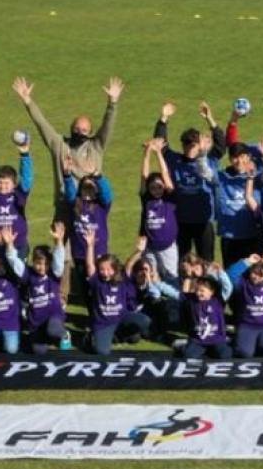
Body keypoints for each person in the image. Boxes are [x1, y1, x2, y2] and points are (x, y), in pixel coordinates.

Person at [12, 75, 123, 218]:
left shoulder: (96, 146)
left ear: (90, 133)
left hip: (90, 204)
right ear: (71, 128)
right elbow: (41, 123)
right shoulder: (59, 145)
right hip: (64, 207)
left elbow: (108, 125)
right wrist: (27, 101)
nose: (79, 133)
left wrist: (112, 103)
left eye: (84, 131)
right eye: (76, 129)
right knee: (59, 240)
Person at [152, 100, 225, 261]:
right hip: (180, 222)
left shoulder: (209, 159)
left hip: (204, 222)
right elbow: (160, 143)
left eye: (193, 144)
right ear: (183, 145)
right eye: (186, 143)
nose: (190, 147)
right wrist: (163, 118)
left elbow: (221, 145)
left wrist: (210, 119)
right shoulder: (174, 160)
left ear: (199, 145)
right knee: (182, 262)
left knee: (206, 262)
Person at [199, 140, 263, 266]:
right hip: (229, 236)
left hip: (253, 235)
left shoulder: (257, 177)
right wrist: (202, 154)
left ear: (249, 157)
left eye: (242, 157)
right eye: (235, 157)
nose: (239, 161)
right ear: (230, 159)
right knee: (231, 273)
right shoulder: (221, 176)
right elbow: (204, 172)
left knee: (253, 274)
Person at [0, 223, 69, 352]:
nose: (42, 267)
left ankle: (64, 335)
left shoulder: (53, 274)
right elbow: (15, 263)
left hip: (53, 316)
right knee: (39, 351)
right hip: (36, 321)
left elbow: (59, 261)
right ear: (33, 262)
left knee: (53, 330)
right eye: (38, 263)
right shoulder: (29, 274)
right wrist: (9, 246)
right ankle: (45, 337)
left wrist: (59, 242)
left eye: (46, 264)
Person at [82, 232, 151, 355]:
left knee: (145, 322)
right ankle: (91, 336)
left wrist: (138, 251)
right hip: (103, 323)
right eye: (102, 269)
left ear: (115, 269)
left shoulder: (122, 279)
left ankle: (118, 335)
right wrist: (90, 246)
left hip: (121, 317)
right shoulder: (96, 280)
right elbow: (89, 265)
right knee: (101, 351)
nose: (105, 272)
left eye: (108, 269)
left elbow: (129, 263)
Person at [63, 162, 114, 301]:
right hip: (79, 253)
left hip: (98, 253)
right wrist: (67, 176)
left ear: (96, 191)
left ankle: (104, 307)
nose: (88, 191)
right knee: (85, 287)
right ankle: (91, 312)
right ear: (80, 190)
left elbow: (107, 194)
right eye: (85, 188)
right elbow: (69, 193)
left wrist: (98, 176)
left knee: (100, 284)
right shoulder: (76, 204)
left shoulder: (102, 205)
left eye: (91, 188)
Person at [0, 135, 33, 258]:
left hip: (18, 245)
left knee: (18, 275)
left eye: (6, 183)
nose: (2, 186)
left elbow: (26, 178)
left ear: (14, 184)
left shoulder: (19, 194)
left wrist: (24, 155)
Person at [139, 138, 179, 281]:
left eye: (159, 187)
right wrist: (147, 152)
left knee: (171, 279)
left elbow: (165, 174)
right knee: (152, 279)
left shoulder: (169, 199)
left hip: (168, 248)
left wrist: (158, 152)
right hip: (150, 248)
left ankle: (172, 304)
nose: (156, 190)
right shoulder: (146, 200)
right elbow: (144, 176)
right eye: (153, 188)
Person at [177, 273, 233, 360]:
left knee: (225, 355)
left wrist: (220, 272)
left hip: (216, 339)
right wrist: (188, 278)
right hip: (198, 340)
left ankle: (211, 349)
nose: (198, 293)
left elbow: (227, 287)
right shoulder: (191, 301)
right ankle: (183, 346)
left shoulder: (217, 301)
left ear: (212, 292)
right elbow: (180, 294)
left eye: (202, 291)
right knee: (188, 356)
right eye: (197, 290)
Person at [0, 235, 23, 354]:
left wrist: (8, 244)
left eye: (0, 264)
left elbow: (13, 261)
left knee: (11, 350)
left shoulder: (12, 277)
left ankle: (8, 335)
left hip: (10, 322)